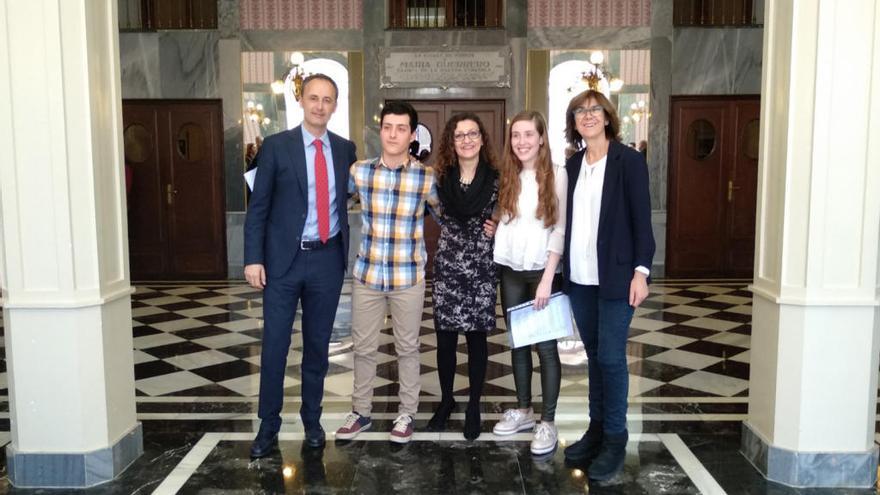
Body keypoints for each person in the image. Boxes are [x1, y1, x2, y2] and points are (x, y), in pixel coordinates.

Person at [243, 74, 358, 458]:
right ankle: (268, 425)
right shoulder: (276, 147)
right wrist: (253, 258)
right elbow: (257, 208)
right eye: (314, 98)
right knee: (275, 345)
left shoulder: (345, 150)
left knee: (317, 348)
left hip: (327, 259)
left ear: (334, 105)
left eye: (327, 99)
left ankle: (312, 420)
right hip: (282, 263)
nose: (320, 105)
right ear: (302, 102)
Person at [560, 90, 655, 481]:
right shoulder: (572, 165)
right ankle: (596, 429)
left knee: (613, 358)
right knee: (595, 355)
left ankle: (615, 437)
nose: (587, 116)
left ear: (607, 116)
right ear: (574, 121)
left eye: (594, 109)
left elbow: (642, 221)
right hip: (580, 278)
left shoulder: (629, 162)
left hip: (617, 277)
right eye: (580, 111)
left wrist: (641, 271)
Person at [335, 101, 439, 444]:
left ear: (412, 135)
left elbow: (448, 216)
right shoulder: (360, 172)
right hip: (368, 275)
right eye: (388, 127)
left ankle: (407, 413)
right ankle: (361, 412)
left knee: (407, 348)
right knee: (364, 348)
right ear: (380, 130)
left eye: (401, 128)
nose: (393, 134)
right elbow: (330, 202)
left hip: (408, 276)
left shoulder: (426, 177)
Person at [490, 110, 567, 456]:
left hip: (541, 272)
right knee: (518, 343)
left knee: (546, 349)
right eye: (516, 136)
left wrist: (548, 279)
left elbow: (559, 229)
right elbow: (509, 220)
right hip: (511, 272)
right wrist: (495, 228)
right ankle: (524, 410)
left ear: (541, 139)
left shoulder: (558, 176)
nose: (521, 142)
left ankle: (547, 422)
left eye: (528, 135)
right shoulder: (510, 175)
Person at [426, 113, 499, 440]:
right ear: (451, 143)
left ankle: (473, 405)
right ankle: (446, 400)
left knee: (476, 339)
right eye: (459, 135)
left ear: (482, 139)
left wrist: (499, 223)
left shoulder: (498, 178)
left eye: (473, 134)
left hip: (482, 267)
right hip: (448, 266)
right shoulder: (440, 179)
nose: (467, 140)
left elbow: (513, 211)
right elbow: (435, 213)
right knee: (445, 339)